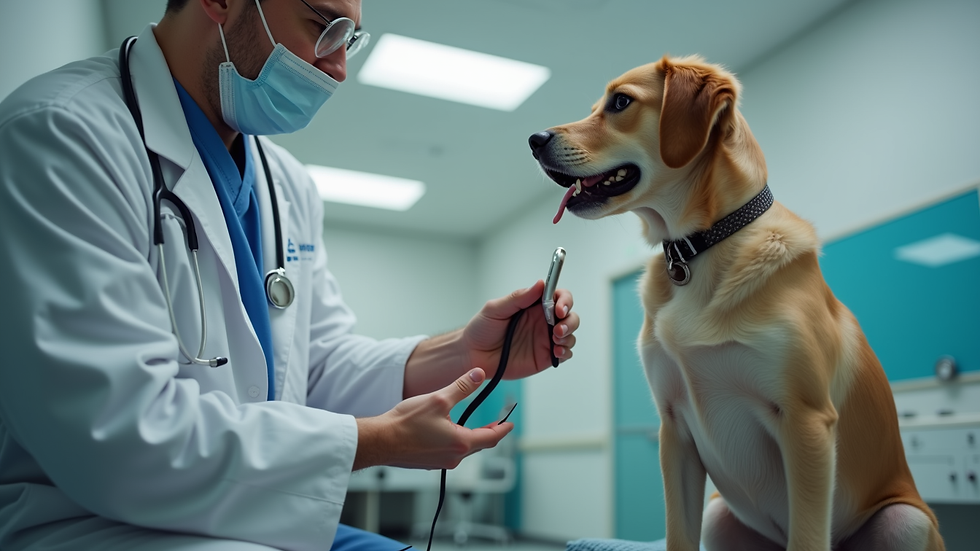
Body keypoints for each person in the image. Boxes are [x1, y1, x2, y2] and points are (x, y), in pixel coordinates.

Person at [0, 0, 580, 550]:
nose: (339, 66)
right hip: (93, 525)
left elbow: (317, 361)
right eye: (322, 26)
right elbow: (116, 435)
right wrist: (374, 441)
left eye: (350, 38)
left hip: (243, 518)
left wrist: (467, 351)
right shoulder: (62, 134)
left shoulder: (286, 184)